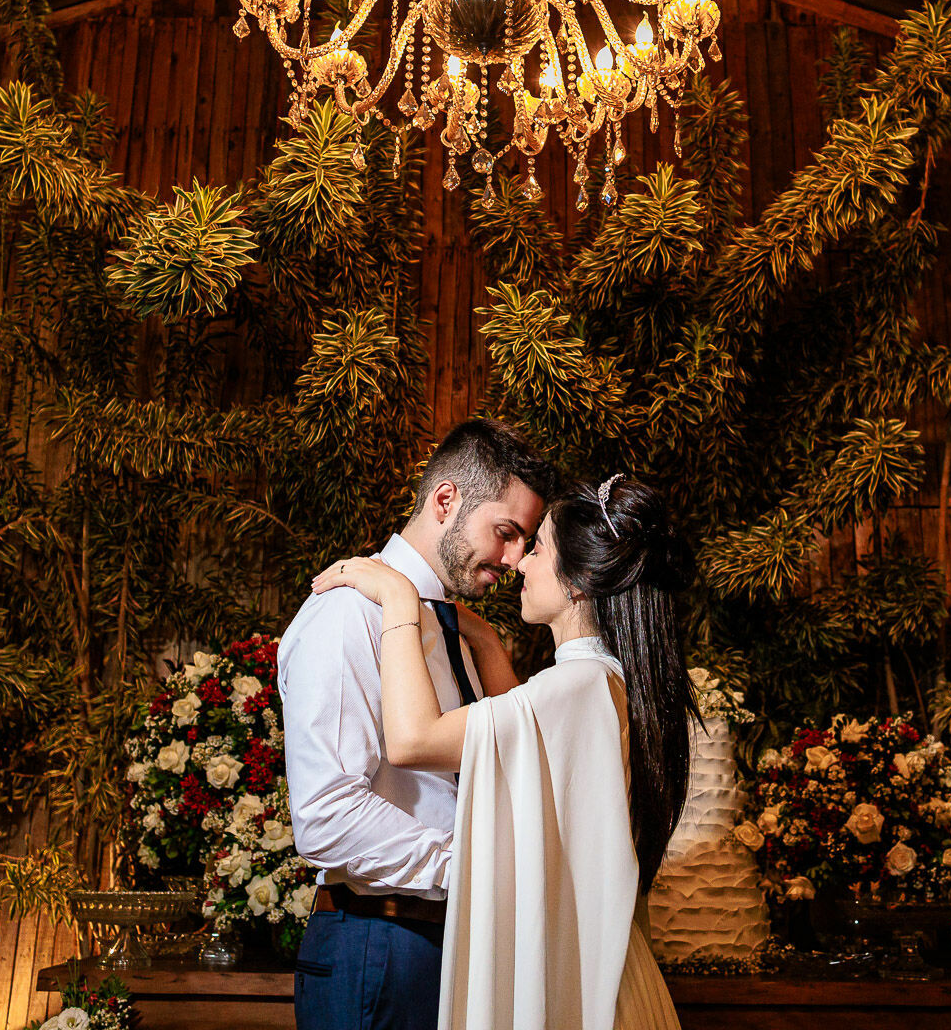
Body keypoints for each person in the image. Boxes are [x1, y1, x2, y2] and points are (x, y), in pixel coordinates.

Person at [312, 473, 694, 1030]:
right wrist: (486, 641)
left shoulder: (576, 688)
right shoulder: (600, 681)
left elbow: (414, 739)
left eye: (538, 547)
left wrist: (396, 595)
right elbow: (526, 743)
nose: (520, 562)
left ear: (579, 582)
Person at [279, 418, 560, 1030]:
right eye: (506, 533)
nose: (514, 561)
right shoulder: (347, 612)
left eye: (524, 542)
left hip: (453, 946)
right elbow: (327, 814)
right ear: (446, 499)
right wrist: (472, 869)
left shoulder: (458, 631)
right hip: (377, 945)